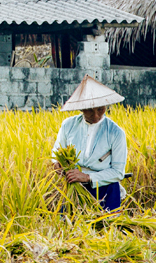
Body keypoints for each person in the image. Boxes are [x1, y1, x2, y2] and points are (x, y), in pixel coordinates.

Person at [51, 75, 128, 211]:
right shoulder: (68, 126)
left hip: (106, 189)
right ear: (81, 108)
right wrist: (57, 164)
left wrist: (87, 177)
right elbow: (56, 152)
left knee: (106, 228)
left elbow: (118, 172)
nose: (96, 115)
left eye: (100, 109)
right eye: (89, 110)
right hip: (74, 187)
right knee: (69, 226)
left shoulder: (116, 133)